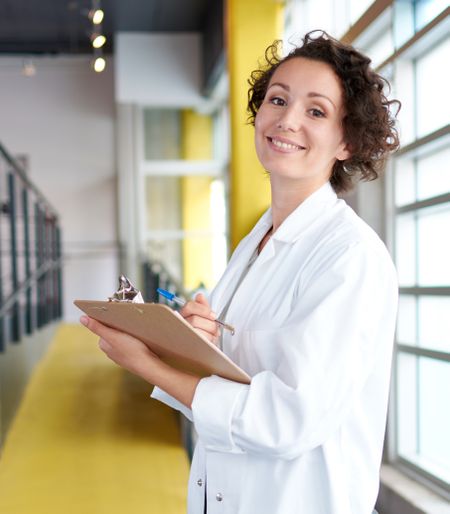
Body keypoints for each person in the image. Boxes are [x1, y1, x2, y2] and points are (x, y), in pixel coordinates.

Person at [80, 30, 400, 514]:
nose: (286, 120)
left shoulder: (350, 257)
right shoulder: (257, 241)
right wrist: (195, 346)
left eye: (315, 111)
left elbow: (286, 421)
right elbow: (232, 384)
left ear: (348, 142)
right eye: (277, 99)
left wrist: (145, 363)